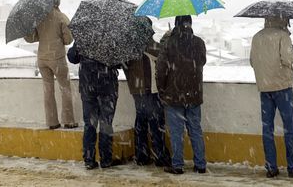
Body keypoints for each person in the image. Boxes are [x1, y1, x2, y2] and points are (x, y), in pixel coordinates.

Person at [249, 16, 293, 178]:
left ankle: (271, 167)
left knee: (267, 129)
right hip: (282, 87)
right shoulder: (283, 36)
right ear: (283, 20)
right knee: (290, 128)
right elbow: (287, 59)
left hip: (264, 88)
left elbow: (252, 61)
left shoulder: (257, 37)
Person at [156, 15, 207, 175]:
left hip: (174, 95)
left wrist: (162, 90)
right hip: (194, 94)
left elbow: (161, 69)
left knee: (177, 132)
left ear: (176, 24)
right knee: (195, 130)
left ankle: (177, 165)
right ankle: (200, 164)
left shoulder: (169, 43)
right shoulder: (199, 42)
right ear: (190, 24)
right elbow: (202, 61)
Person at [123, 20, 171, 167]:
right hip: (151, 89)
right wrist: (167, 37)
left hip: (137, 90)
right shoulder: (148, 44)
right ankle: (160, 156)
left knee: (141, 123)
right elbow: (162, 54)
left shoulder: (128, 47)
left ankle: (142, 156)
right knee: (156, 124)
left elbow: (125, 67)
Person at [24, 0, 77, 129]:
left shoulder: (39, 17)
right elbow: (68, 40)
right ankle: (68, 121)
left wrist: (29, 24)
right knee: (65, 88)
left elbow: (31, 38)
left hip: (42, 59)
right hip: (57, 57)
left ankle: (52, 122)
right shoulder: (61, 17)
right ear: (57, 3)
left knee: (48, 90)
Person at [67, 45, 120, 169]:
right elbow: (121, 63)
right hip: (107, 88)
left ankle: (89, 160)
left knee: (90, 125)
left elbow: (72, 57)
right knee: (106, 124)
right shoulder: (111, 39)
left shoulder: (84, 37)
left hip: (88, 88)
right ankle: (106, 159)